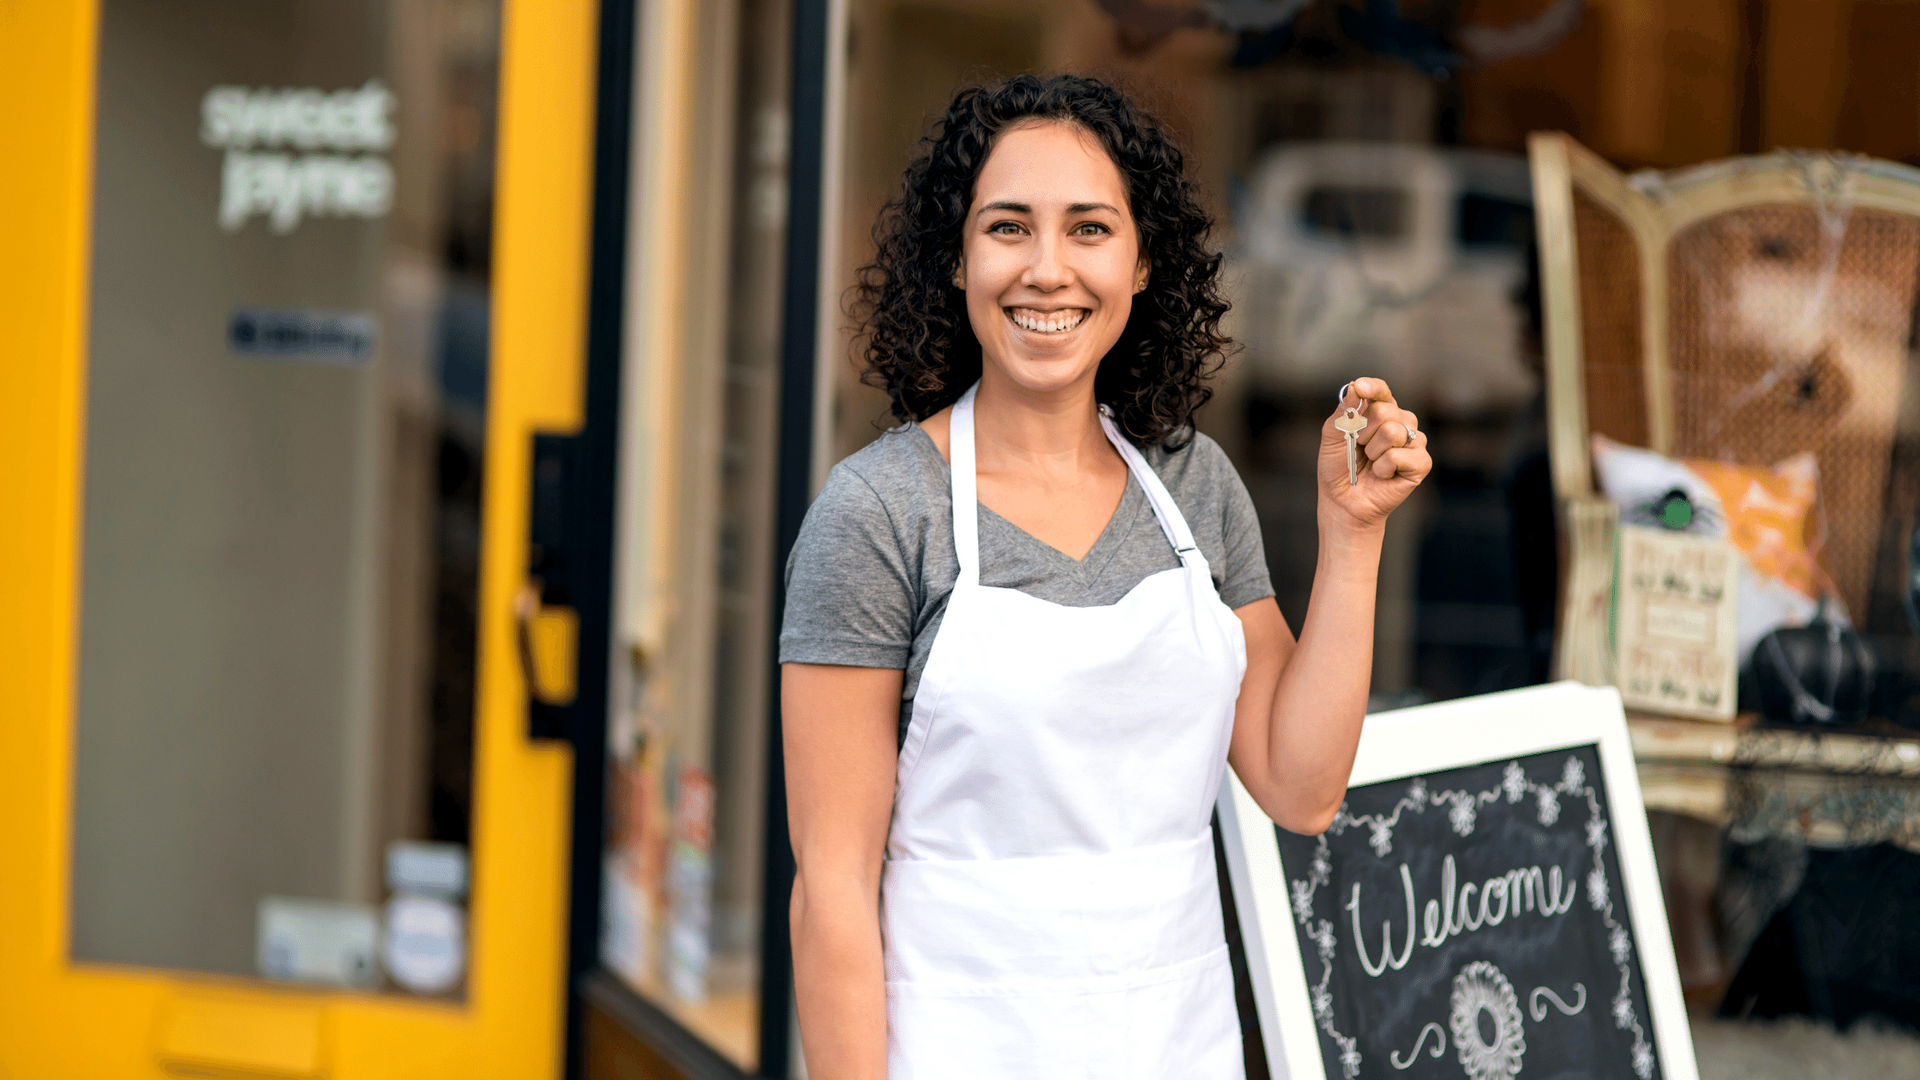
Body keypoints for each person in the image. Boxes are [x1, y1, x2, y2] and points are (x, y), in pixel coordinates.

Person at [779, 74, 1430, 1079]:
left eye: (1088, 229)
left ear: (1140, 264)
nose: (1047, 270)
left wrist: (1351, 540)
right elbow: (830, 888)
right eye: (1007, 228)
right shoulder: (876, 515)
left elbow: (1301, 788)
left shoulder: (1192, 485)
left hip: (1179, 1046)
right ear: (955, 262)